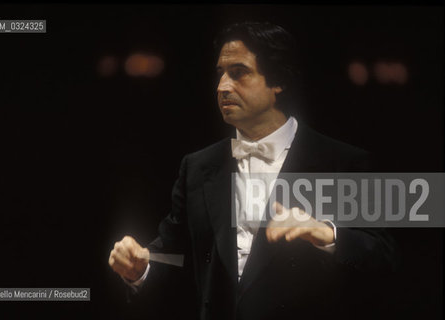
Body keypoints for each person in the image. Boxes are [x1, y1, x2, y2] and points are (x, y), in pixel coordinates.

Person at [108, 21, 398, 320]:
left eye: (239, 73)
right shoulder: (197, 166)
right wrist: (140, 268)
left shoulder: (340, 161)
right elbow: (173, 258)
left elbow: (384, 258)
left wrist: (327, 234)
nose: (222, 86)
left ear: (277, 82)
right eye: (220, 73)